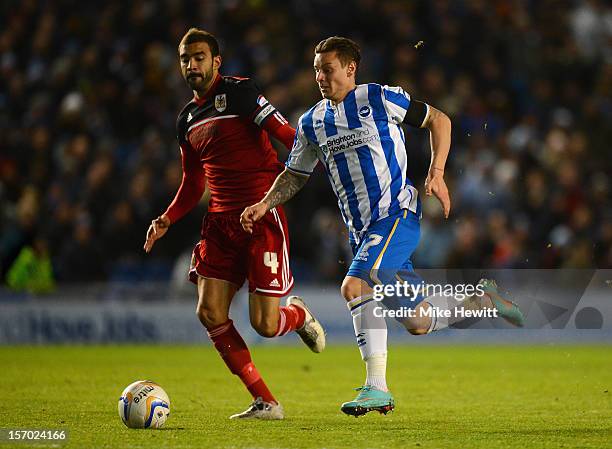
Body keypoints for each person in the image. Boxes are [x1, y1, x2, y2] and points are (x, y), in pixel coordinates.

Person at [241, 36, 524, 417]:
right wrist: (264, 204)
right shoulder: (311, 122)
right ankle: (485, 301)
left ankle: (377, 389)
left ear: (350, 69)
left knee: (356, 284)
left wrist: (436, 173)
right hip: (362, 233)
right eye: (316, 70)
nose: (320, 76)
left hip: (396, 215)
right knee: (418, 321)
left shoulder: (378, 98)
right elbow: (295, 174)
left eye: (328, 68)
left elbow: (439, 120)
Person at [143, 28, 325, 420]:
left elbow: (287, 135)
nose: (192, 65)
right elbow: (194, 182)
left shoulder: (241, 93)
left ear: (216, 61)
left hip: (260, 213)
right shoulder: (186, 120)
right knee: (209, 312)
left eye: (199, 57)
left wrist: (288, 183)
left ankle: (298, 316)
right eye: (185, 59)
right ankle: (266, 402)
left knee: (265, 324)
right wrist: (167, 219)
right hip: (220, 223)